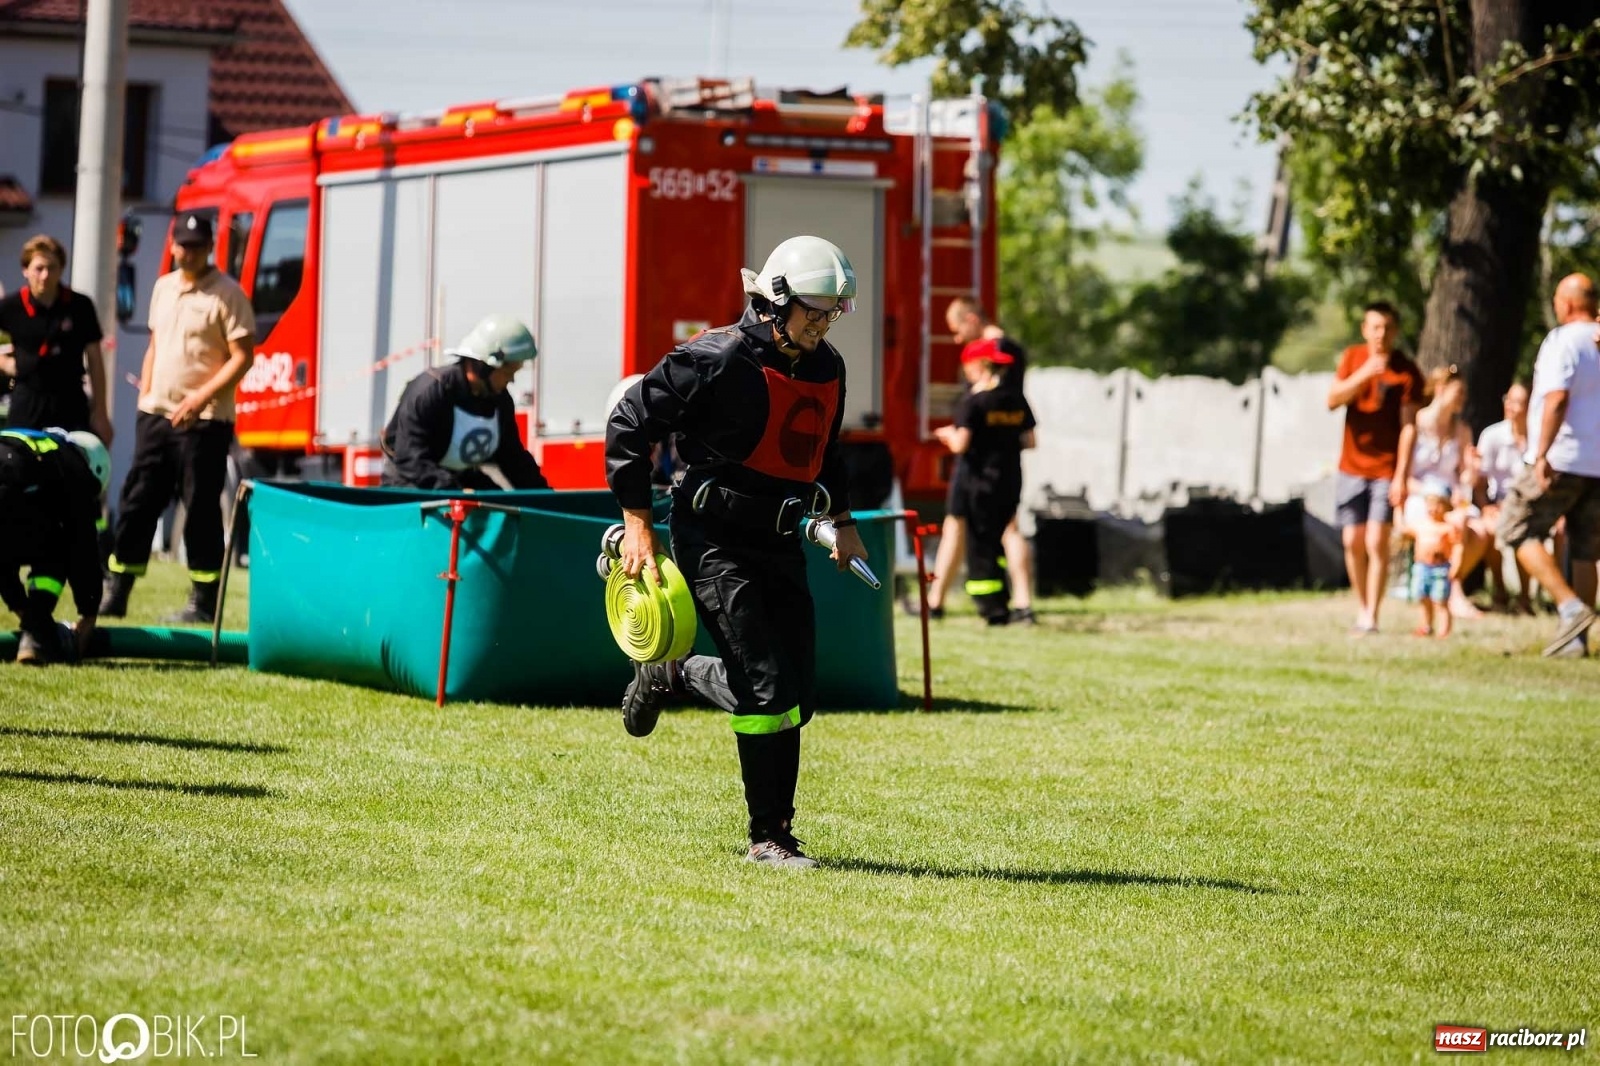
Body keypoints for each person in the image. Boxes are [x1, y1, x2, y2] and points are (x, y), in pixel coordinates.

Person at [605, 235, 868, 869]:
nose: (824, 322)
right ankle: (770, 838)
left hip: (780, 541)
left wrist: (845, 519)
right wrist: (638, 523)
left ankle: (673, 671)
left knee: (797, 698)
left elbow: (826, 450)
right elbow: (628, 425)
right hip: (713, 542)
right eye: (814, 309)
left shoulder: (827, 367)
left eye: (834, 311)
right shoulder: (711, 359)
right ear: (775, 301)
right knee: (766, 690)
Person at [99, 212, 255, 625]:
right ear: (173, 247)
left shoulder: (228, 294)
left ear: (210, 248)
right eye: (184, 245)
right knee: (137, 501)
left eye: (198, 245)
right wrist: (146, 395)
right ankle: (117, 591)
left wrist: (199, 398)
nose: (189, 252)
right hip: (156, 415)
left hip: (205, 422)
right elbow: (155, 344)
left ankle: (202, 602)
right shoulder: (163, 287)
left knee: (200, 509)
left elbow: (242, 357)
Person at [1496, 273, 1600, 657]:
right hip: (1597, 463)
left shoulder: (1564, 341)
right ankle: (1576, 642)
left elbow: (1556, 400)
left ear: (1568, 304)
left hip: (1562, 458)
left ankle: (1570, 608)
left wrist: (1541, 454)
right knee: (1586, 549)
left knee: (1512, 527)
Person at [918, 296, 1037, 622]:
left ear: (972, 319)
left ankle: (1019, 602)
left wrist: (959, 431)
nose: (956, 339)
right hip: (993, 463)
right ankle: (936, 600)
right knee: (956, 524)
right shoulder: (1008, 355)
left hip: (983, 462)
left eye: (957, 330)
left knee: (1005, 528)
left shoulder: (998, 356)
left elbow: (997, 407)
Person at [1327, 301, 1425, 635]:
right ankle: (1363, 607)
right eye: (1375, 327)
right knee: (1352, 540)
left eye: (1387, 327)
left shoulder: (1406, 370)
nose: (1381, 334)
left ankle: (1373, 615)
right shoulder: (1353, 358)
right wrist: (1366, 373)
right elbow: (1333, 399)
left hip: (1386, 469)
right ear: (1365, 330)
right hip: (1351, 466)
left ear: (1395, 331)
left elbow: (1409, 426)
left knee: (1375, 542)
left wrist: (1402, 475)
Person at [380, 314, 550, 491]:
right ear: (484, 366)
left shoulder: (500, 400)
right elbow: (410, 458)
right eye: (508, 373)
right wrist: (456, 492)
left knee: (499, 504)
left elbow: (512, 458)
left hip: (457, 478)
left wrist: (544, 498)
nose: (511, 380)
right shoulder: (430, 392)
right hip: (410, 481)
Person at [0, 427, 110, 664]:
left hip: (9, 485)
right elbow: (84, 550)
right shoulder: (74, 466)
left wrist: (25, 614)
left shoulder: (40, 443)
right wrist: (88, 615)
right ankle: (37, 630)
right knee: (60, 546)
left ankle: (34, 634)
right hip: (10, 487)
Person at [0, 234, 114, 443]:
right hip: (27, 400)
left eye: (52, 268)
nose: (45, 275)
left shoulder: (80, 306)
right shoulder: (11, 307)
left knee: (73, 467)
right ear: (25, 270)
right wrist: (5, 363)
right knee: (17, 466)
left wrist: (101, 413)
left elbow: (95, 360)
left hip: (70, 401)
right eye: (39, 268)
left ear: (61, 269)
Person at [1402, 365, 1490, 618]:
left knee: (1481, 531)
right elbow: (1405, 478)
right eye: (1458, 392)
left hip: (1452, 498)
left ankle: (1449, 585)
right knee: (1454, 524)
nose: (1463, 398)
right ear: (1441, 389)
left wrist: (1472, 470)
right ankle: (1454, 594)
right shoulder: (1414, 426)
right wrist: (1435, 494)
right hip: (1421, 497)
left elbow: (1464, 476)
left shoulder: (1461, 430)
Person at [1475, 382, 1533, 613]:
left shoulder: (1538, 436)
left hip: (1530, 505)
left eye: (1518, 402)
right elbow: (1479, 484)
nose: (1511, 407)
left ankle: (1526, 598)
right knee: (1491, 529)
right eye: (1508, 400)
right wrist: (1486, 506)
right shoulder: (1492, 435)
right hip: (1498, 502)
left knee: (1527, 530)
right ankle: (1500, 591)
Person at [1402, 478, 1461, 639]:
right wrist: (1398, 507)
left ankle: (1444, 630)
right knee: (1423, 598)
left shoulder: (1448, 527)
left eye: (1438, 504)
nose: (1433, 508)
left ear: (1447, 506)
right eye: (1430, 504)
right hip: (1421, 567)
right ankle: (1426, 626)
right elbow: (1401, 529)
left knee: (1441, 600)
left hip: (1440, 568)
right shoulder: (1421, 525)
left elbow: (1458, 546)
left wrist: (1456, 565)